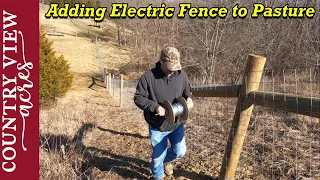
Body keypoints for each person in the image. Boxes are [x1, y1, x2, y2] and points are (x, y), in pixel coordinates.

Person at [134, 46, 194, 180]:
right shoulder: (148, 77)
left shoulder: (181, 75)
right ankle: (157, 175)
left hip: (177, 124)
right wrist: (156, 107)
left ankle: (166, 161)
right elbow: (138, 98)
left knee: (180, 152)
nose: (173, 69)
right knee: (156, 159)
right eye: (170, 66)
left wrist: (189, 99)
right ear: (161, 61)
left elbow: (187, 91)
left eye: (176, 66)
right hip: (158, 126)